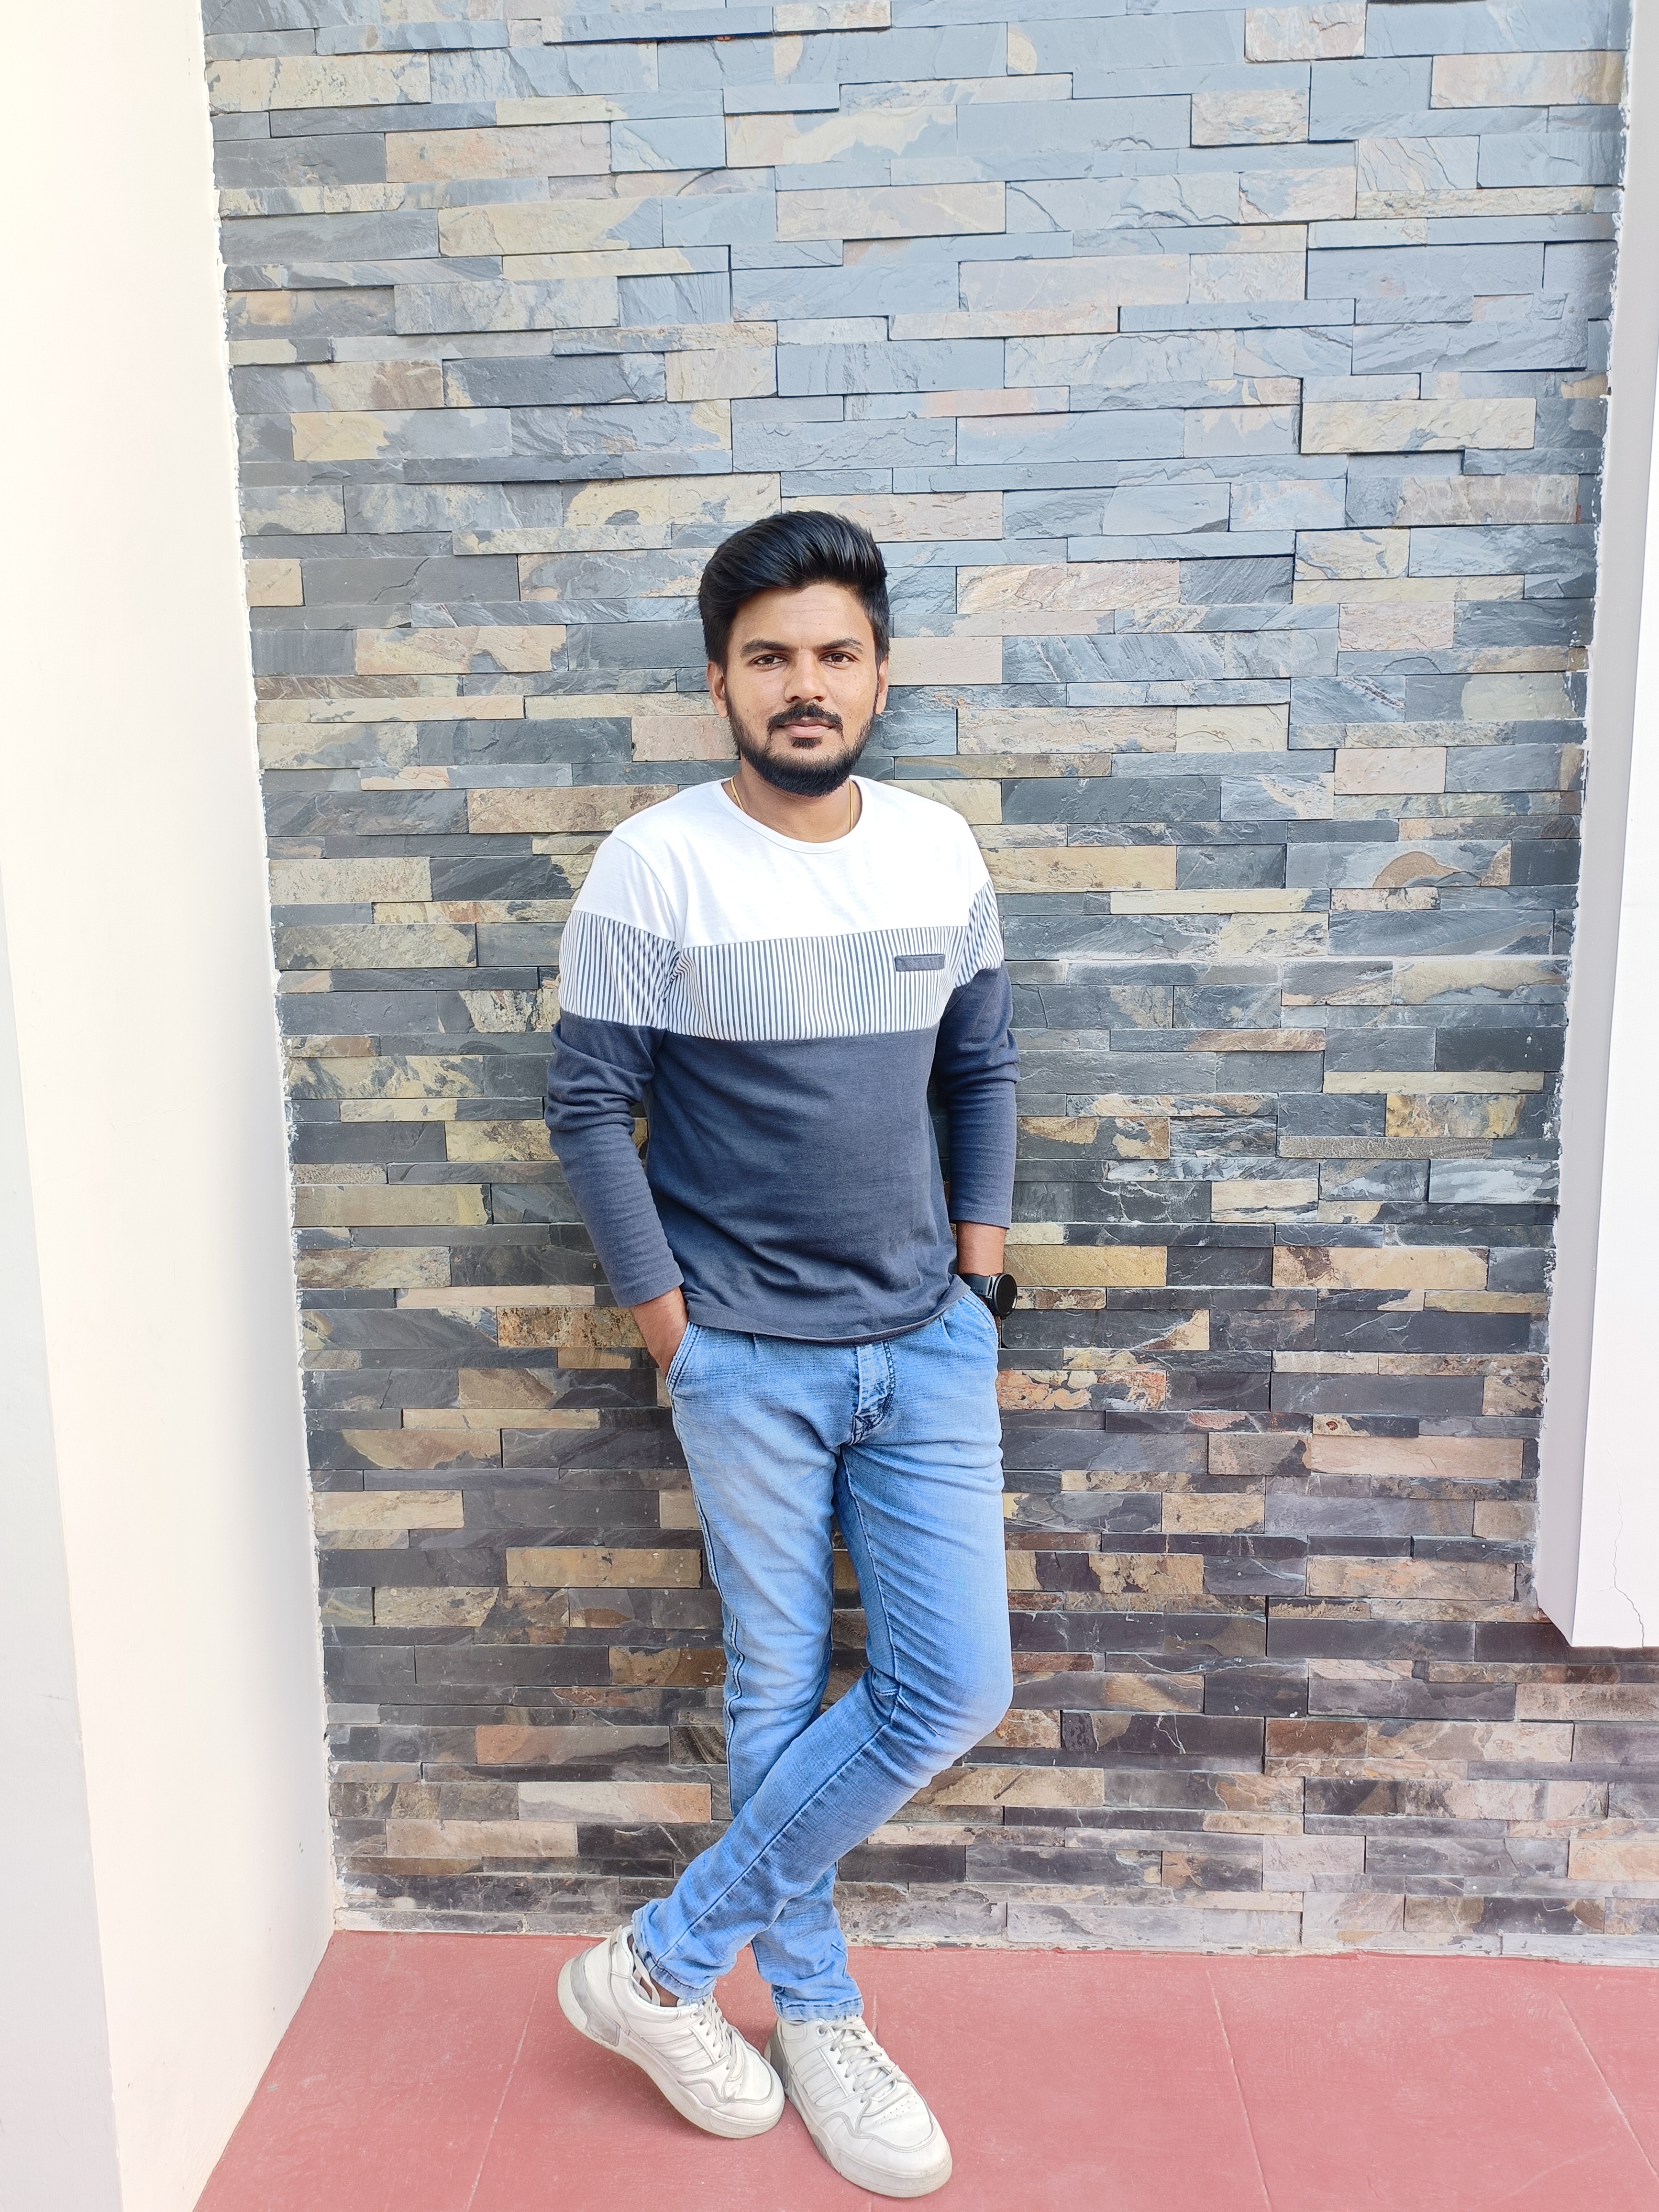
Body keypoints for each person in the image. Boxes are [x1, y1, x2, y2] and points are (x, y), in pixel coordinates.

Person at [543, 510, 1019, 2199]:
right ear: (720, 683)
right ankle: (814, 2011)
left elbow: (981, 1069)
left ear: (879, 677)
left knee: (951, 1688)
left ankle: (660, 1966)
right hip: (743, 1354)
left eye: (833, 654)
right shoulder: (654, 864)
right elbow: (588, 1105)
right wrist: (672, 1325)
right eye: (769, 658)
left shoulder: (937, 851)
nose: (802, 685)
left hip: (924, 1346)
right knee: (773, 1689)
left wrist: (978, 1281)